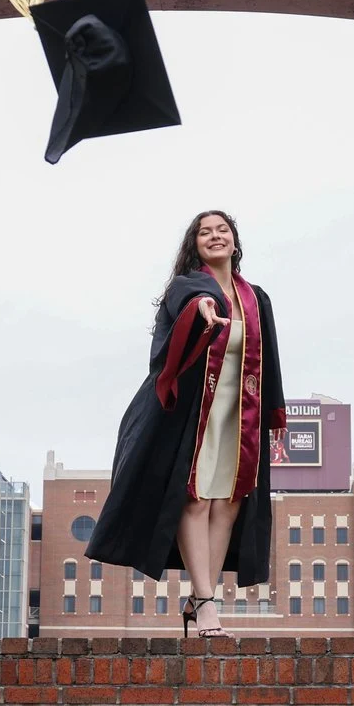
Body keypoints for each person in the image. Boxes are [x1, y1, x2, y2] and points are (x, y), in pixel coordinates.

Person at [86, 210, 286, 637]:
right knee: (194, 498)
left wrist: (275, 413)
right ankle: (208, 605)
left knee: (229, 502)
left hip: (239, 414)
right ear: (194, 245)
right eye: (204, 232)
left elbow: (270, 360)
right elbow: (191, 305)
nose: (215, 237)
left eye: (222, 230)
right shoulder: (188, 287)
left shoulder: (257, 298)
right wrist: (205, 309)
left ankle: (199, 600)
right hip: (192, 412)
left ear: (235, 241)